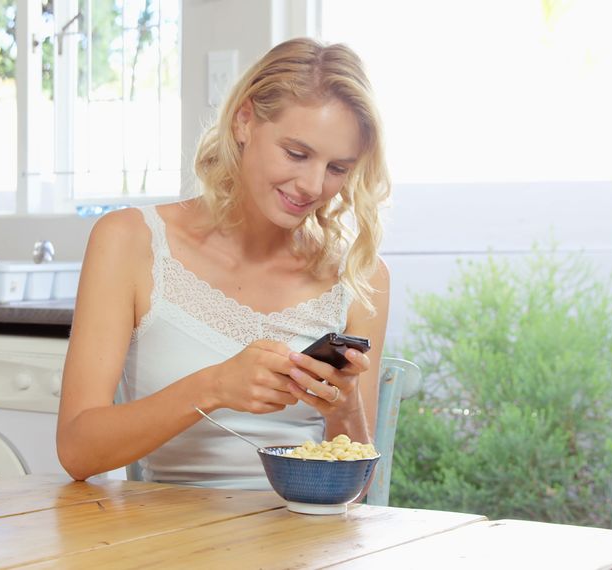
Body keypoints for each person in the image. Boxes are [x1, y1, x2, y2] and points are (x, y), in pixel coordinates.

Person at [57, 37, 391, 490]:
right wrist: (213, 387)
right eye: (296, 153)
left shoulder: (360, 276)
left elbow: (358, 489)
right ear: (244, 121)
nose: (313, 185)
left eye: (338, 168)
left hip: (302, 546)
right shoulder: (130, 242)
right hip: (170, 544)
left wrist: (344, 405)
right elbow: (78, 452)